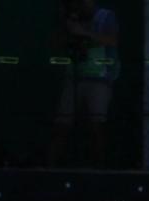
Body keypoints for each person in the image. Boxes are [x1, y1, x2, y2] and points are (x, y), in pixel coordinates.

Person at [48, 0, 118, 168]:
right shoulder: (70, 18)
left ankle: (100, 170)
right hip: (73, 77)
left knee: (97, 126)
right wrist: (67, 29)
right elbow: (56, 43)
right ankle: (50, 168)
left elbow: (113, 40)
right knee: (62, 124)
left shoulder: (105, 16)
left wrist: (84, 33)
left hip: (99, 78)